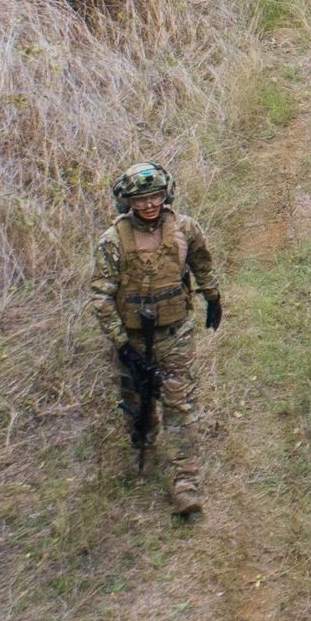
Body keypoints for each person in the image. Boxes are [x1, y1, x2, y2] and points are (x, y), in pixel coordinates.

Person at [90, 161, 223, 521]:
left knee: (179, 404)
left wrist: (212, 296)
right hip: (132, 338)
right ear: (127, 202)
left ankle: (185, 485)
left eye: (156, 197)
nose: (149, 205)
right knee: (138, 403)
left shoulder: (184, 228)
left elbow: (201, 261)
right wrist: (121, 345)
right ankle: (143, 435)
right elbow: (101, 297)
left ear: (166, 195)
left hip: (175, 333)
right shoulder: (113, 240)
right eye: (141, 199)